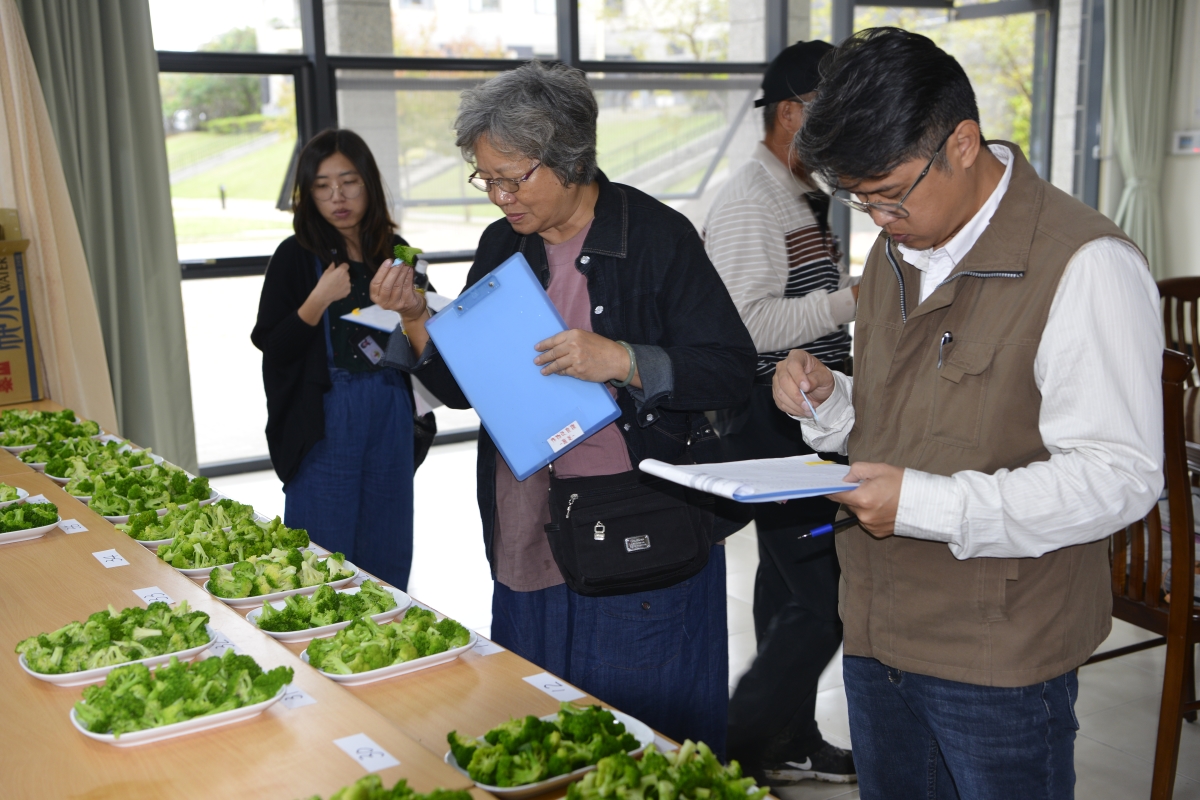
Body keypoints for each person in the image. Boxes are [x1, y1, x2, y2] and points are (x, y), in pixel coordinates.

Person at [772, 28, 1163, 799]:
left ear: (961, 142)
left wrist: (923, 504)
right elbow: (904, 417)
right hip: (877, 625)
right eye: (857, 198)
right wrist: (829, 401)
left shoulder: (1085, 264)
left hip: (998, 649)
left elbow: (1120, 477)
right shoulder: (894, 253)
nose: (877, 217)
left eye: (889, 194)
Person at [371, 61, 756, 754]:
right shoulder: (502, 244)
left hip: (634, 523)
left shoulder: (656, 238)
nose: (498, 196)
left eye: (513, 178)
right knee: (542, 718)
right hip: (529, 523)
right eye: (485, 178)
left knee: (635, 731)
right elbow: (469, 388)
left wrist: (624, 359)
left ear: (569, 158)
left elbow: (730, 370)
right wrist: (415, 320)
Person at [703, 40, 857, 787]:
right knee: (826, 602)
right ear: (793, 113)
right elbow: (744, 325)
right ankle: (735, 746)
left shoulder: (797, 193)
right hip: (774, 420)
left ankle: (790, 740)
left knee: (783, 585)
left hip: (808, 415)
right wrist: (855, 300)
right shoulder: (750, 201)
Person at [252, 128, 424, 591]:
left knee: (387, 546)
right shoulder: (295, 255)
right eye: (323, 186)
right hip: (326, 417)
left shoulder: (396, 250)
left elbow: (423, 331)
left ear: (368, 183)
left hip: (390, 409)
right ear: (308, 195)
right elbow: (272, 343)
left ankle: (386, 637)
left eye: (349, 182)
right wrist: (317, 299)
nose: (338, 197)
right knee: (320, 558)